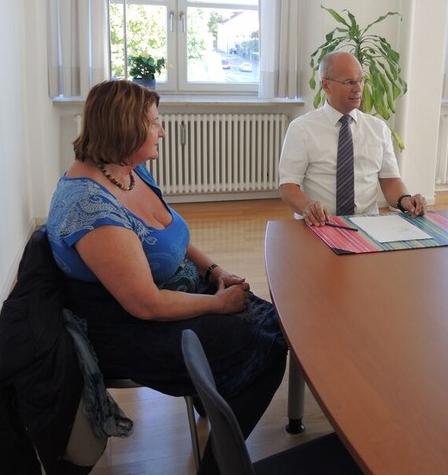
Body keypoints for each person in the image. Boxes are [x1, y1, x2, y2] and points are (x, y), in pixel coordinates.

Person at [46, 79, 286, 474]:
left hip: (172, 293)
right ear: (125, 129)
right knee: (269, 349)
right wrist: (217, 303)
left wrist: (214, 270)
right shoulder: (91, 208)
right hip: (128, 327)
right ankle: (220, 465)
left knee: (272, 323)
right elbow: (145, 304)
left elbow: (169, 231)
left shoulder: (128, 170)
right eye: (155, 122)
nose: (162, 130)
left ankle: (220, 400)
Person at [279, 50, 426, 224]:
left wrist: (405, 200)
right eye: (349, 82)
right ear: (326, 85)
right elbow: (288, 186)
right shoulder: (301, 129)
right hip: (318, 224)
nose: (358, 89)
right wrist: (307, 206)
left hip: (368, 224)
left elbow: (391, 180)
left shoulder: (378, 129)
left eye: (361, 81)